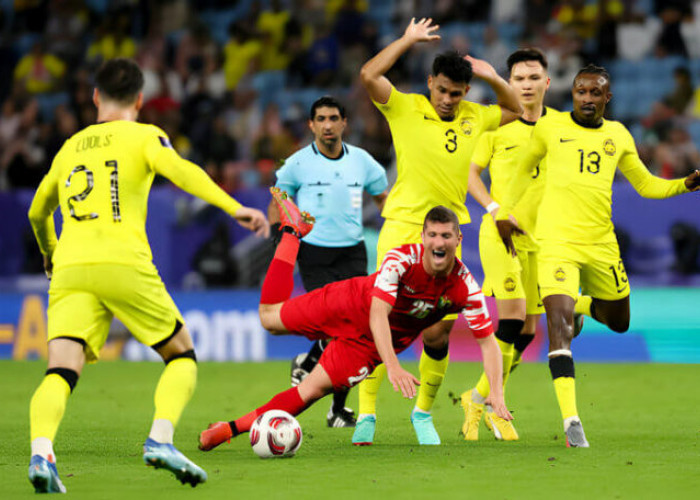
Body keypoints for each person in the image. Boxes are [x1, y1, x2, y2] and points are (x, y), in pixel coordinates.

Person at [26, 58, 269, 493]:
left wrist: (50, 254)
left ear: (96, 97)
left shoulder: (69, 147)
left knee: (60, 370)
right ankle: (160, 439)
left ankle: (41, 452)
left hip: (70, 267)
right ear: (140, 99)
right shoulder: (144, 136)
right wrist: (235, 207)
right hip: (123, 261)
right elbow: (182, 171)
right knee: (181, 355)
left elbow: (36, 210)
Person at [198, 194, 511, 452]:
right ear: (423, 237)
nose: (438, 242)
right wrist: (392, 366)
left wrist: (495, 391)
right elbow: (378, 315)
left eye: (446, 235)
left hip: (366, 346)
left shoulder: (465, 287)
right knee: (269, 318)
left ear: (458, 238)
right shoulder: (401, 261)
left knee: (311, 391)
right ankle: (292, 232)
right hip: (349, 303)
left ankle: (229, 429)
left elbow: (488, 343)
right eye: (432, 235)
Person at [496, 64, 700, 447]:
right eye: (581, 91)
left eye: (595, 93)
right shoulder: (549, 129)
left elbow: (646, 186)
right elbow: (521, 173)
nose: (587, 99)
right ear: (572, 94)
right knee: (558, 329)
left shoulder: (618, 135)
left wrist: (684, 185)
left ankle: (583, 306)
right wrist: (503, 212)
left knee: (619, 320)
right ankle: (572, 421)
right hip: (556, 244)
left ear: (608, 98)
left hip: (602, 245)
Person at [353, 17, 523, 446]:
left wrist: (491, 75)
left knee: (438, 330)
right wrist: (407, 40)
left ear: (466, 92)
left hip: (448, 233)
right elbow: (369, 74)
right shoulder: (404, 106)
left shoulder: (474, 116)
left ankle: (423, 414)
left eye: (456, 92)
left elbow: (516, 110)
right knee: (384, 321)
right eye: (442, 90)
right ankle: (367, 413)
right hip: (401, 226)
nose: (448, 99)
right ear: (430, 83)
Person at [461, 48, 562, 442]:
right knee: (513, 317)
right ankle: (496, 405)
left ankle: (477, 397)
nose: (526, 85)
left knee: (528, 331)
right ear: (510, 82)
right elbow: (471, 176)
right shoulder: (496, 125)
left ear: (546, 82)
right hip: (500, 232)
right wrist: (495, 208)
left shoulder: (562, 127)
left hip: (543, 238)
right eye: (518, 78)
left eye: (533, 78)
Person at [270, 95, 388, 428]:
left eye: (334, 118)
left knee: (354, 332)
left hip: (352, 250)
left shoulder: (362, 161)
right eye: (320, 119)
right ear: (311, 125)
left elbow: (383, 197)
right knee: (338, 327)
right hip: (315, 252)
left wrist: (397, 225)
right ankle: (332, 403)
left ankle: (326, 392)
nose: (327, 125)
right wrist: (279, 237)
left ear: (344, 123)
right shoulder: (297, 163)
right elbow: (279, 195)